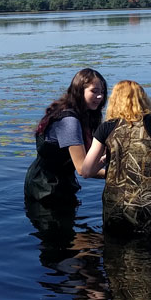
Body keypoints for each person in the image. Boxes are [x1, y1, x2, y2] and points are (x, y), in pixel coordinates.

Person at [80, 80, 151, 234]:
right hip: (146, 208)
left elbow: (86, 171)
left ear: (114, 101)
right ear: (143, 99)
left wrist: (106, 160)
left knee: (113, 252)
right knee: (149, 251)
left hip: (114, 210)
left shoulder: (106, 127)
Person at [23, 68, 107, 205]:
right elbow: (82, 169)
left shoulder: (86, 115)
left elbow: (93, 152)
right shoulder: (69, 122)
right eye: (94, 91)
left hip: (61, 183)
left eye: (102, 92)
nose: (100, 96)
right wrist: (113, 175)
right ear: (80, 91)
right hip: (46, 189)